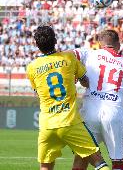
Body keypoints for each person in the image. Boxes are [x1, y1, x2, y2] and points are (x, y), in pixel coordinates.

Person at [26, 25, 109, 170]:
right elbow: (85, 81)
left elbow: (38, 93)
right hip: (70, 122)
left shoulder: (32, 67)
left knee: (45, 167)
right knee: (98, 161)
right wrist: (73, 78)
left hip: (47, 124)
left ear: (36, 44)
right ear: (55, 40)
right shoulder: (69, 58)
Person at [72, 30, 123, 170]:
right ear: (118, 45)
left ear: (100, 43)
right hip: (114, 114)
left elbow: (68, 55)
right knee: (118, 162)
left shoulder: (90, 54)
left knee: (82, 156)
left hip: (89, 112)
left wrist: (77, 74)